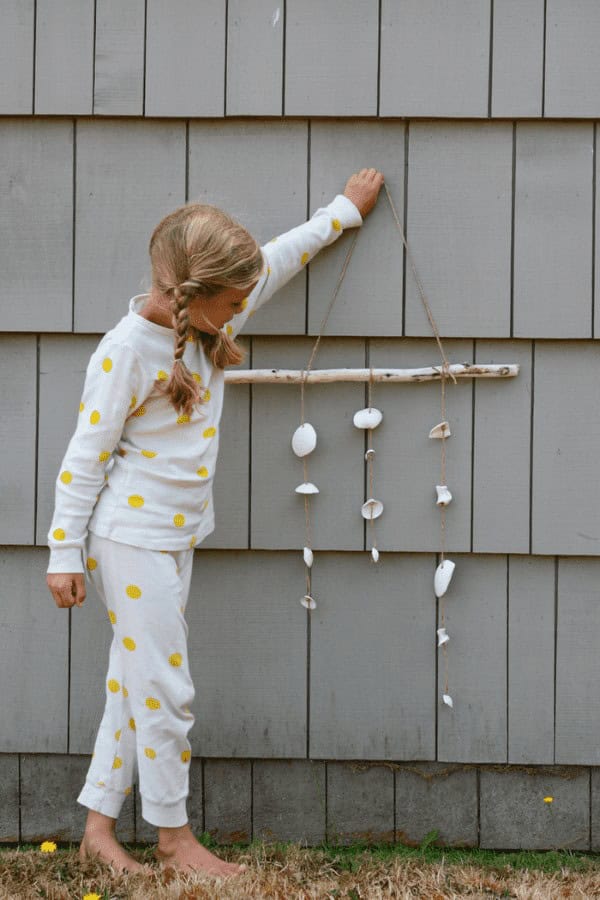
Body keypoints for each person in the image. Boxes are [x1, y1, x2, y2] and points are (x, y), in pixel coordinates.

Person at [45, 168, 385, 878]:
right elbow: (85, 456)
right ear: (188, 295)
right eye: (231, 302)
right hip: (129, 542)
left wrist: (342, 214)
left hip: (176, 540)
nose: (239, 311)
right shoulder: (124, 353)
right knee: (168, 690)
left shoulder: (210, 316)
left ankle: (98, 832)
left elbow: (281, 257)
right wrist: (63, 553)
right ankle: (174, 842)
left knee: (133, 683)